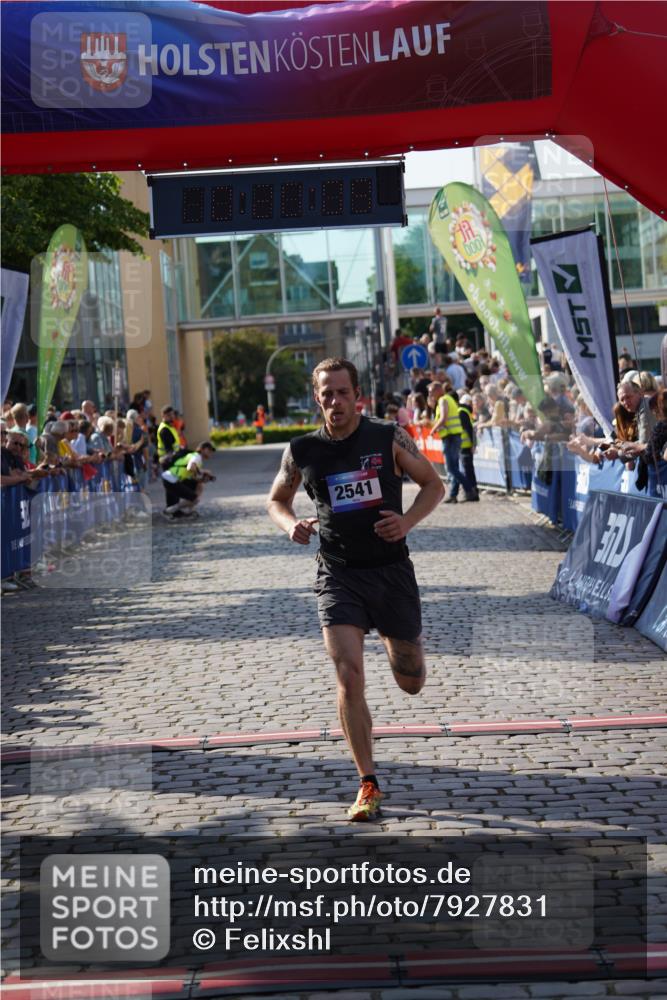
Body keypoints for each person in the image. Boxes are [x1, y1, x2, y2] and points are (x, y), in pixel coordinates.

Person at [267, 358, 444, 821]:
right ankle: (368, 782)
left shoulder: (386, 437)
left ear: (357, 395)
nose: (335, 401)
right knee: (348, 675)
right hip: (338, 573)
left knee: (411, 681)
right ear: (317, 398)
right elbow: (277, 499)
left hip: (390, 572)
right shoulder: (303, 450)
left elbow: (433, 484)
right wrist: (290, 525)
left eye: (342, 392)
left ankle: (401, 642)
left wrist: (405, 522)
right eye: (327, 393)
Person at [161, 441, 216, 519]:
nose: (211, 452)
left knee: (199, 485)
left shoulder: (196, 457)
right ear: (202, 449)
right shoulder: (197, 456)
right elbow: (190, 467)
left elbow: (192, 476)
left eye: (212, 451)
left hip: (172, 478)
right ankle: (168, 511)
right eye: (209, 450)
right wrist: (202, 471)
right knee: (195, 499)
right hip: (171, 479)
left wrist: (202, 479)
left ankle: (190, 510)